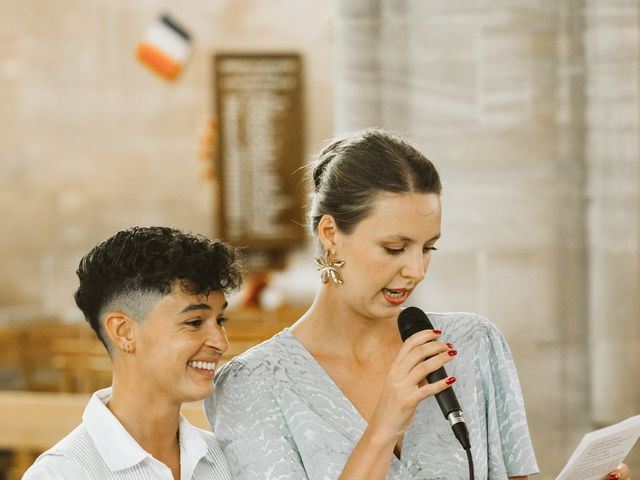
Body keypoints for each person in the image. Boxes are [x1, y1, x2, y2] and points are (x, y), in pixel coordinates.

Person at [206, 129, 631, 480]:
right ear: (331, 234)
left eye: (429, 248)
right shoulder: (251, 386)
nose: (416, 270)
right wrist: (384, 426)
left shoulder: (473, 345)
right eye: (394, 248)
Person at [23, 226, 242, 480]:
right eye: (194, 322)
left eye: (220, 320)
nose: (221, 342)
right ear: (124, 332)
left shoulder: (228, 461)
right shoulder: (62, 474)